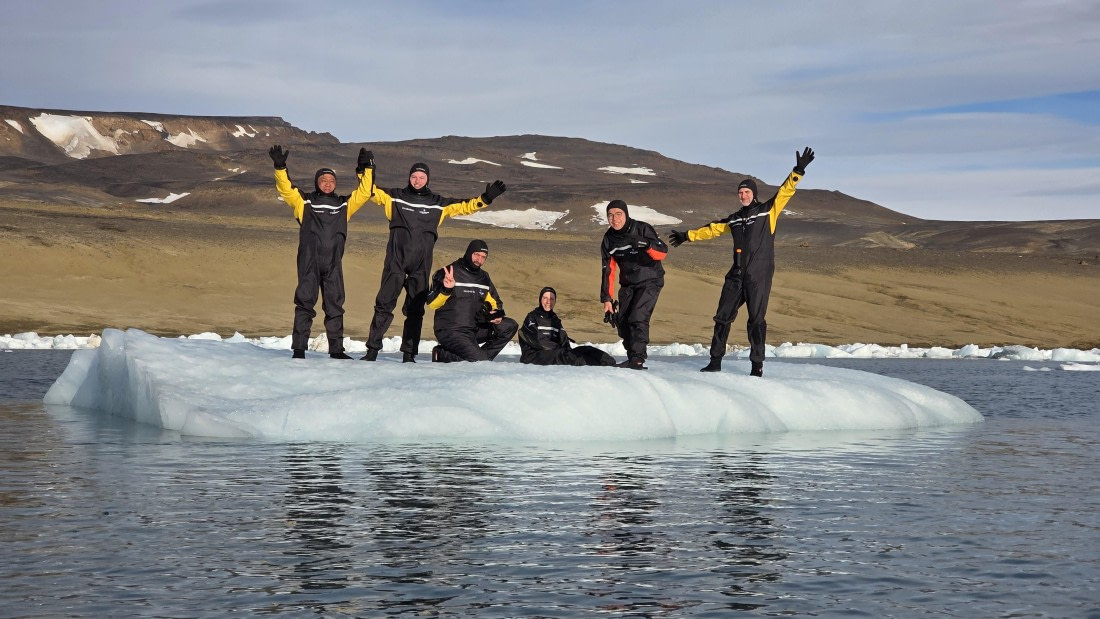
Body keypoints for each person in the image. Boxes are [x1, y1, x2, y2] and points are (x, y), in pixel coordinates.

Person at [667, 147, 815, 376]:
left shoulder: (768, 212)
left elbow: (785, 192)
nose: (743, 195)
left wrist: (798, 171)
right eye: (740, 192)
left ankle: (757, 366)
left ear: (753, 194)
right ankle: (715, 361)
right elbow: (713, 229)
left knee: (756, 320)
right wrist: (687, 236)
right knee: (722, 317)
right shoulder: (735, 220)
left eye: (746, 192)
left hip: (759, 275)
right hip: (736, 275)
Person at [354, 149, 507, 362]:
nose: (417, 180)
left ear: (427, 180)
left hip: (420, 267)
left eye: (421, 177)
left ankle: (409, 355)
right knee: (384, 306)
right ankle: (372, 351)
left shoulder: (438, 204)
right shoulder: (395, 197)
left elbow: (464, 207)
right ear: (409, 178)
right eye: (414, 176)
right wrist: (364, 171)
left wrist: (485, 199)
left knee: (415, 311)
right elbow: (369, 191)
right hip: (395, 263)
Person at [269, 144, 375, 359]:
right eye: (324, 180)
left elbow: (365, 193)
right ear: (317, 182)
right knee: (305, 303)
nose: (328, 184)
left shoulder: (344, 205)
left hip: (333, 264)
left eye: (332, 181)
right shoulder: (304, 202)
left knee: (335, 306)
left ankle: (336, 350)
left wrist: (367, 168)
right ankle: (299, 349)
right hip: (309, 262)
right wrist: (280, 167)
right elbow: (286, 190)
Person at [600, 200, 668, 370]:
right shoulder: (609, 239)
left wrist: (647, 244)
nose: (614, 219)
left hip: (650, 279)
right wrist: (606, 299)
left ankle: (638, 359)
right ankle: (632, 357)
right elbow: (608, 271)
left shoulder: (642, 228)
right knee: (622, 320)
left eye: (618, 214)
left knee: (638, 316)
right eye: (610, 215)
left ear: (626, 214)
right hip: (628, 283)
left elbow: (662, 252)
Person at [426, 240, 518, 363]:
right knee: (480, 361)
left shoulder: (484, 278)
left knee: (509, 326)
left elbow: (496, 303)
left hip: (473, 330)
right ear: (469, 252)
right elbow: (432, 304)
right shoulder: (448, 272)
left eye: (483, 257)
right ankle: (442, 354)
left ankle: (479, 357)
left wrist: (495, 315)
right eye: (476, 255)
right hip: (451, 331)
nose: (479, 260)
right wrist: (446, 289)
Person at [519, 287, 617, 366]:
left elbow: (564, 341)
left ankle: (608, 362)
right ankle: (598, 367)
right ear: (540, 299)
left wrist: (569, 351)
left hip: (554, 353)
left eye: (551, 299)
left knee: (587, 350)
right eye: (545, 298)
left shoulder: (555, 320)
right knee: (567, 356)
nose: (548, 302)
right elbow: (538, 340)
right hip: (533, 355)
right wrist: (562, 351)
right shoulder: (532, 317)